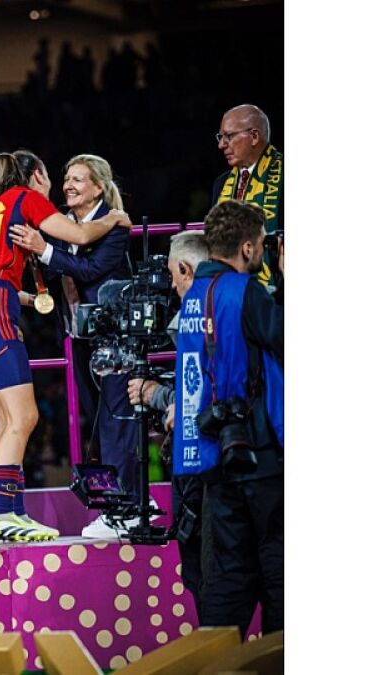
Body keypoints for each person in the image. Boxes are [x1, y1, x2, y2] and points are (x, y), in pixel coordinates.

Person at [0, 150, 131, 541]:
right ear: (37, 175)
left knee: (10, 421)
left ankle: (13, 511)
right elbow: (82, 236)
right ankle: (2, 512)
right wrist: (113, 218)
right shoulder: (25, 198)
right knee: (23, 418)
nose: (60, 185)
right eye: (56, 175)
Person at [7, 154, 138, 537]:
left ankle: (127, 509)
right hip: (80, 338)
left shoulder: (114, 222)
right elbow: (51, 267)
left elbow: (90, 270)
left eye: (78, 179)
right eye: (66, 178)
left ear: (98, 187)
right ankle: (117, 504)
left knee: (116, 421)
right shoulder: (64, 224)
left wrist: (45, 249)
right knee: (98, 422)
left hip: (115, 339)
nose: (68, 185)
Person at [174, 200, 283, 637]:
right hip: (259, 453)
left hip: (212, 454)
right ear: (247, 248)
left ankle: (215, 659)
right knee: (279, 566)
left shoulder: (192, 298)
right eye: (261, 244)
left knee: (230, 573)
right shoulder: (245, 291)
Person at [126, 230, 210, 617]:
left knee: (204, 573)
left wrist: (156, 395)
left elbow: (200, 388)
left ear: (185, 269)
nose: (172, 287)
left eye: (174, 277)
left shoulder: (194, 313)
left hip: (201, 463)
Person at [212, 104, 282, 288]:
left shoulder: (285, 177)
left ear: (254, 137)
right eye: (220, 137)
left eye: (229, 136)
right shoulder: (221, 184)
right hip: (229, 289)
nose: (221, 145)